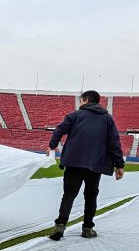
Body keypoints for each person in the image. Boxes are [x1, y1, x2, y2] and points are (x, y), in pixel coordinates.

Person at [47, 90, 125, 240]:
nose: (80, 104)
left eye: (81, 101)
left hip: (73, 162)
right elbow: (114, 143)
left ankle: (60, 225)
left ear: (86, 101)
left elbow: (59, 130)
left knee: (69, 194)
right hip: (95, 165)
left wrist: (52, 146)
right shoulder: (108, 119)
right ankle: (88, 228)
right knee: (91, 196)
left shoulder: (74, 115)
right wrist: (119, 165)